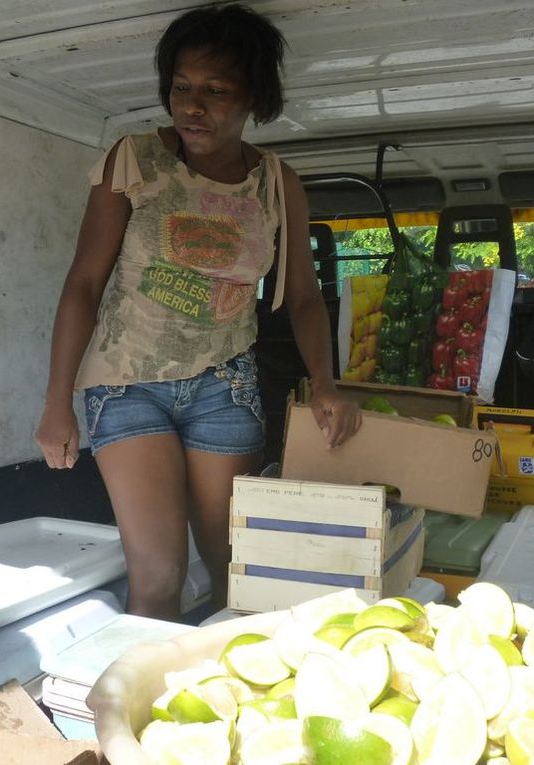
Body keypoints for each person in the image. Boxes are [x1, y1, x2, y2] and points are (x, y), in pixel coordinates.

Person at [35, 3, 361, 619]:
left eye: (216, 90)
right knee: (158, 575)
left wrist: (326, 386)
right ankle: (145, 707)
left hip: (223, 384)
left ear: (253, 99)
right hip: (126, 384)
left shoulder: (275, 182)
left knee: (234, 568)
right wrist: (56, 402)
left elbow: (304, 297)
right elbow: (83, 282)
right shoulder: (134, 159)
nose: (192, 105)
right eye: (181, 87)